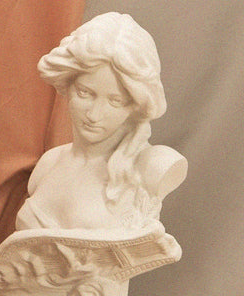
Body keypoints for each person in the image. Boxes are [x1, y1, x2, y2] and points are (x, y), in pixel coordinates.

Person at [16, 12, 187, 235]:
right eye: (85, 93)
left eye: (115, 101)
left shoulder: (153, 166)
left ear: (135, 104)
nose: (94, 114)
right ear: (67, 84)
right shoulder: (49, 163)